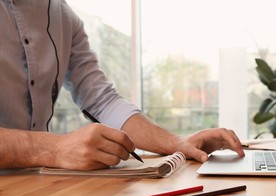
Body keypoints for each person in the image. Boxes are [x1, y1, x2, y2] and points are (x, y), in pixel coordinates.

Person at [0, 0, 244, 170]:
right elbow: (55, 149)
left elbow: (102, 101)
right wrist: (54, 148)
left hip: (34, 190)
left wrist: (176, 143)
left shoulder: (64, 18)